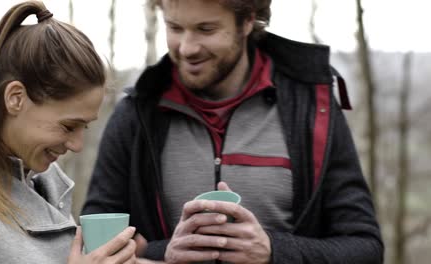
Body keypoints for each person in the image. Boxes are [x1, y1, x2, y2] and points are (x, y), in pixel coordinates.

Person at [82, 0, 384, 263]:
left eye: (206, 29)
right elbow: (95, 247)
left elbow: (365, 248)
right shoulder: (135, 113)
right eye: (174, 27)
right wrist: (165, 254)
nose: (187, 48)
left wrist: (274, 251)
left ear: (248, 20)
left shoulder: (312, 108)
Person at [0, 1, 137, 263]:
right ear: (16, 98)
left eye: (84, 127)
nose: (78, 145)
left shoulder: (48, 190)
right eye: (68, 126)